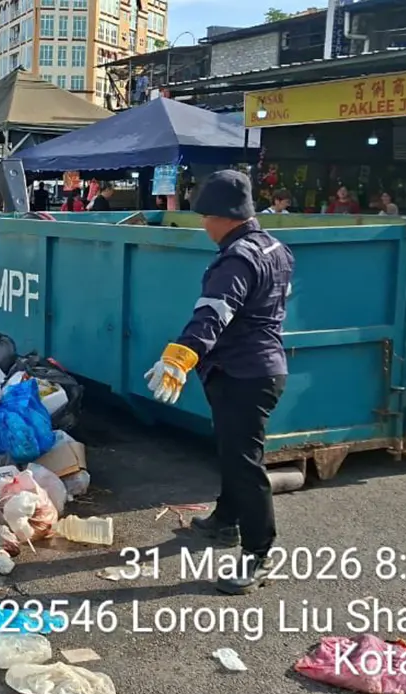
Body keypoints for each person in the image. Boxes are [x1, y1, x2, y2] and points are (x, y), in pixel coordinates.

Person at [142, 170, 294, 595]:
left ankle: (259, 553)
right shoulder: (275, 248)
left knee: (245, 462)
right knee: (231, 450)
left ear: (226, 215)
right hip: (258, 368)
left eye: (207, 216)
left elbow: (214, 312)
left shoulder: (238, 258)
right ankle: (226, 520)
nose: (204, 224)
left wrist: (181, 356)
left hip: (243, 373)